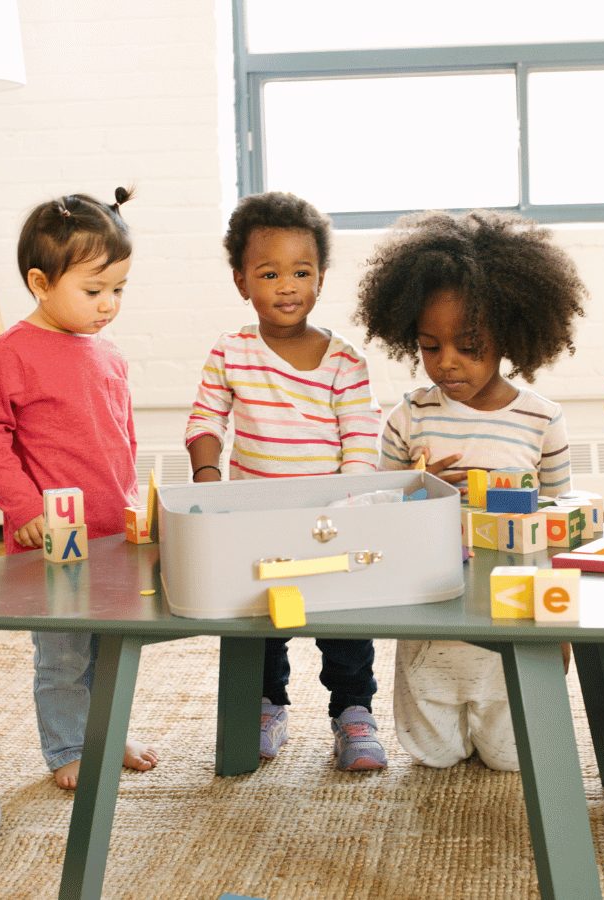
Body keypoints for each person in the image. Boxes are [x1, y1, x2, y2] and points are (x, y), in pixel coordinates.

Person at [354, 209, 587, 770]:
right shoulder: (408, 418)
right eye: (430, 346)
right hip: (433, 613)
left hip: (512, 613)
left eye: (468, 344)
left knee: (512, 757)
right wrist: (419, 490)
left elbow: (561, 525)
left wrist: (561, 626)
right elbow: (376, 509)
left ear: (508, 334)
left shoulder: (540, 420)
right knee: (432, 754)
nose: (447, 363)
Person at [184, 191, 386, 771]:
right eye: (269, 273)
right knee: (259, 619)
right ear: (240, 280)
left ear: (321, 277)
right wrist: (207, 475)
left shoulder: (344, 360)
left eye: (301, 272)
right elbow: (205, 419)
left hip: (333, 520)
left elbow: (360, 439)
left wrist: (347, 505)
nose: (287, 285)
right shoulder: (232, 352)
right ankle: (264, 707)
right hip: (256, 518)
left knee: (344, 621)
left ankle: (354, 715)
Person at [0, 191, 160, 789]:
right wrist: (21, 506)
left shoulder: (108, 351)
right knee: (64, 655)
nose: (109, 305)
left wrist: (136, 508)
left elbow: (120, 436)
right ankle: (67, 747)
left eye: (119, 290)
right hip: (56, 538)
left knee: (114, 646)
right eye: (94, 290)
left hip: (114, 528)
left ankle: (106, 732)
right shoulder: (13, 352)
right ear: (40, 282)